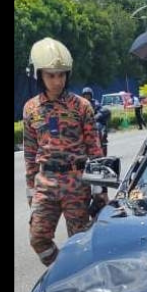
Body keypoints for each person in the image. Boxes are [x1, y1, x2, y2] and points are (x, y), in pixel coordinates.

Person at [22, 37, 105, 266]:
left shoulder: (81, 106)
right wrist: (31, 189)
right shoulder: (31, 109)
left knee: (80, 243)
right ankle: (61, 272)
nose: (57, 81)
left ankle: (80, 286)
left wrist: (99, 190)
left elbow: (94, 149)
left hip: (76, 183)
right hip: (45, 183)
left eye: (61, 74)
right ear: (39, 75)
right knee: (38, 238)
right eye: (51, 75)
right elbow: (30, 153)